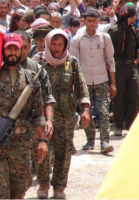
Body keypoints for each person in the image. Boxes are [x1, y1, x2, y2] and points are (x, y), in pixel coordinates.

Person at [0, 33, 48, 199]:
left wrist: (42, 141)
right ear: (2, 51)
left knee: (18, 192)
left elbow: (38, 113)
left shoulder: (30, 78)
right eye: (9, 49)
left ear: (22, 50)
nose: (12, 52)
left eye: (16, 48)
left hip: (21, 147)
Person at [37, 29, 90, 199]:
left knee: (64, 153)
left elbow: (82, 87)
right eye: (53, 43)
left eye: (60, 44)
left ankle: (59, 186)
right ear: (48, 44)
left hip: (66, 118)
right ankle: (43, 183)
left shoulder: (72, 62)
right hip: (45, 118)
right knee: (42, 151)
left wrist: (86, 109)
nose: (57, 47)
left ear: (66, 45)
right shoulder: (40, 63)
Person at [15, 30, 56, 199]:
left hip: (34, 121)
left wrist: (49, 120)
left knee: (41, 155)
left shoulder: (37, 69)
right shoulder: (2, 66)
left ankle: (44, 183)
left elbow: (48, 97)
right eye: (18, 47)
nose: (21, 51)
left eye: (25, 47)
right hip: (11, 127)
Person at [70, 9, 116, 153]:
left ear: (98, 20)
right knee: (86, 111)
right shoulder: (77, 39)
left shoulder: (104, 37)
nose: (92, 24)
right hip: (83, 80)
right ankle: (90, 139)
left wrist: (113, 83)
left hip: (101, 78)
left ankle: (104, 142)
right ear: (83, 21)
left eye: (95, 21)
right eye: (89, 21)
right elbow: (72, 62)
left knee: (103, 110)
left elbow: (111, 61)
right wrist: (73, 83)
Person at [108, 3, 139, 135]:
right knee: (118, 97)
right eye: (134, 16)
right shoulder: (114, 31)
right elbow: (109, 53)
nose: (136, 18)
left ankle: (129, 124)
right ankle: (119, 126)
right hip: (118, 66)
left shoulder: (134, 31)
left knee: (136, 94)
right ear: (130, 16)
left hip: (131, 66)